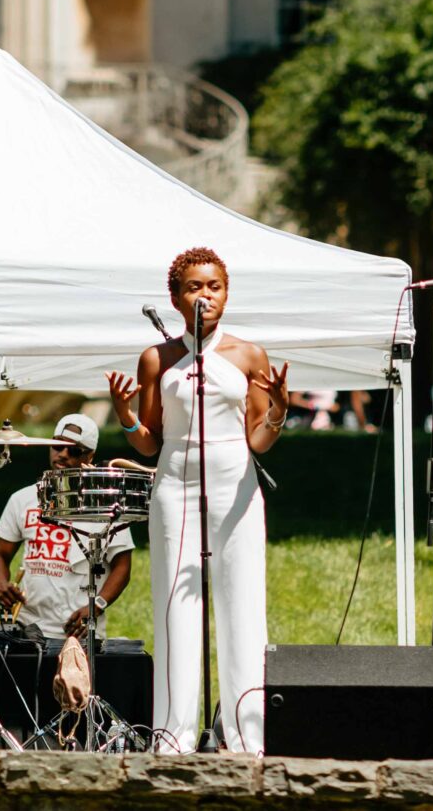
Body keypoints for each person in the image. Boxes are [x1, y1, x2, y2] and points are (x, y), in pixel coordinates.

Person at [105, 246, 290, 754]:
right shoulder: (157, 358)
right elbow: (149, 440)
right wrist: (124, 416)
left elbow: (258, 439)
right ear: (175, 297)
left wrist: (278, 410)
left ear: (226, 293)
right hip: (176, 487)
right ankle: (174, 735)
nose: (204, 296)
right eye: (193, 287)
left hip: (235, 485)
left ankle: (247, 734)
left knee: (242, 603)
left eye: (213, 286)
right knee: (175, 607)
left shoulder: (248, 355)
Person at [0, 412, 134, 641]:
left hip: (79, 632)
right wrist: (1, 585)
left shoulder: (107, 505)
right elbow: (0, 556)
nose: (63, 454)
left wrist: (97, 606)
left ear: (90, 456)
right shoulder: (23, 498)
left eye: (74, 450)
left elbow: (123, 566)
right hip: (27, 629)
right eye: (57, 445)